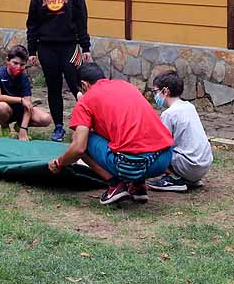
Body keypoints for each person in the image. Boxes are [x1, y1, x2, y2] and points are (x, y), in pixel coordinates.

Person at [46, 63, 173, 207]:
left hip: (132, 166)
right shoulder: (127, 86)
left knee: (83, 140)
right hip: (164, 159)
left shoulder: (86, 101)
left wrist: (59, 162)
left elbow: (78, 148)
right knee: (128, 132)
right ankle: (138, 186)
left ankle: (115, 185)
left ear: (84, 85)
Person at [26, 0, 91, 142]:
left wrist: (85, 47)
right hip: (47, 49)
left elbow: (82, 21)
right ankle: (58, 127)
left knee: (76, 85)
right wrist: (32, 51)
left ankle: (86, 124)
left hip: (70, 47)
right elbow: (32, 25)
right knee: (54, 88)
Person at [147, 70, 213, 192]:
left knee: (156, 150)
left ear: (165, 91)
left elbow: (160, 143)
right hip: (204, 164)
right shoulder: (189, 106)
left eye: (155, 91)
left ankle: (174, 178)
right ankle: (188, 179)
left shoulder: (169, 114)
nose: (155, 95)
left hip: (189, 165)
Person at [0, 44, 51, 141]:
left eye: (22, 65)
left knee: (46, 119)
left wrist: (23, 128)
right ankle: (5, 127)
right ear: (7, 60)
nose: (18, 67)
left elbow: (28, 104)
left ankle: (19, 126)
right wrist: (20, 100)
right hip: (6, 110)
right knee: (0, 107)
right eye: (15, 63)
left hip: (21, 111)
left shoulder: (24, 78)